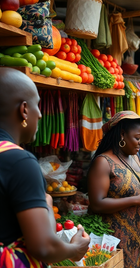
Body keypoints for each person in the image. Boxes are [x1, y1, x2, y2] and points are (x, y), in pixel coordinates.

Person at [0, 68, 89, 266]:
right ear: (24, 110)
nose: (40, 115)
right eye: (37, 106)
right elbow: (44, 247)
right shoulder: (19, 162)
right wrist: (75, 249)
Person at [88, 111, 140, 268]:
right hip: (116, 240)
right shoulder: (103, 162)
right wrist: (136, 200)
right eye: (137, 137)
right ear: (122, 134)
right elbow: (97, 204)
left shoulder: (135, 158)